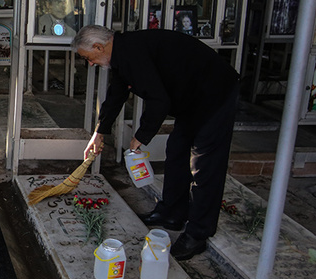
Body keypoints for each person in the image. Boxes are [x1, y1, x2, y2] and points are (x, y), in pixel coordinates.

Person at [75, 25, 239, 260]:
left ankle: (198, 234)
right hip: (190, 97)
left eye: (88, 58)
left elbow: (158, 100)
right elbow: (117, 94)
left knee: (204, 165)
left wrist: (140, 137)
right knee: (176, 152)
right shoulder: (122, 53)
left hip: (214, 93)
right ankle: (171, 213)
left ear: (98, 47)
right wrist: (99, 132)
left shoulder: (132, 51)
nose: (90, 64)